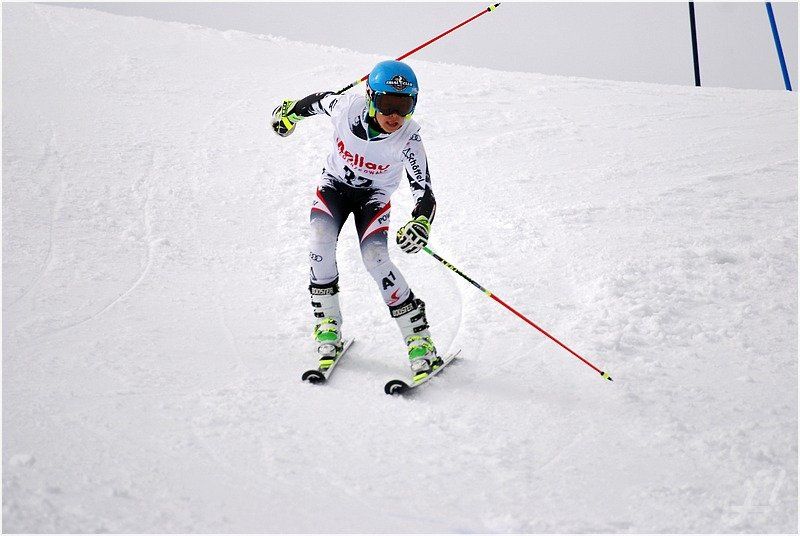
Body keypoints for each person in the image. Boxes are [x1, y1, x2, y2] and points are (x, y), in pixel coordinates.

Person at [271, 60, 442, 381]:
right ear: (370, 98)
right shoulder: (346, 108)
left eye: (404, 106)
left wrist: (421, 222)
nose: (394, 115)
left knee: (376, 259)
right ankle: (327, 325)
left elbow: (425, 192)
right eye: (387, 104)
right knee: (320, 242)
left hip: (373, 199)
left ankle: (419, 340)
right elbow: (316, 102)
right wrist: (289, 113)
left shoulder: (409, 139)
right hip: (334, 187)